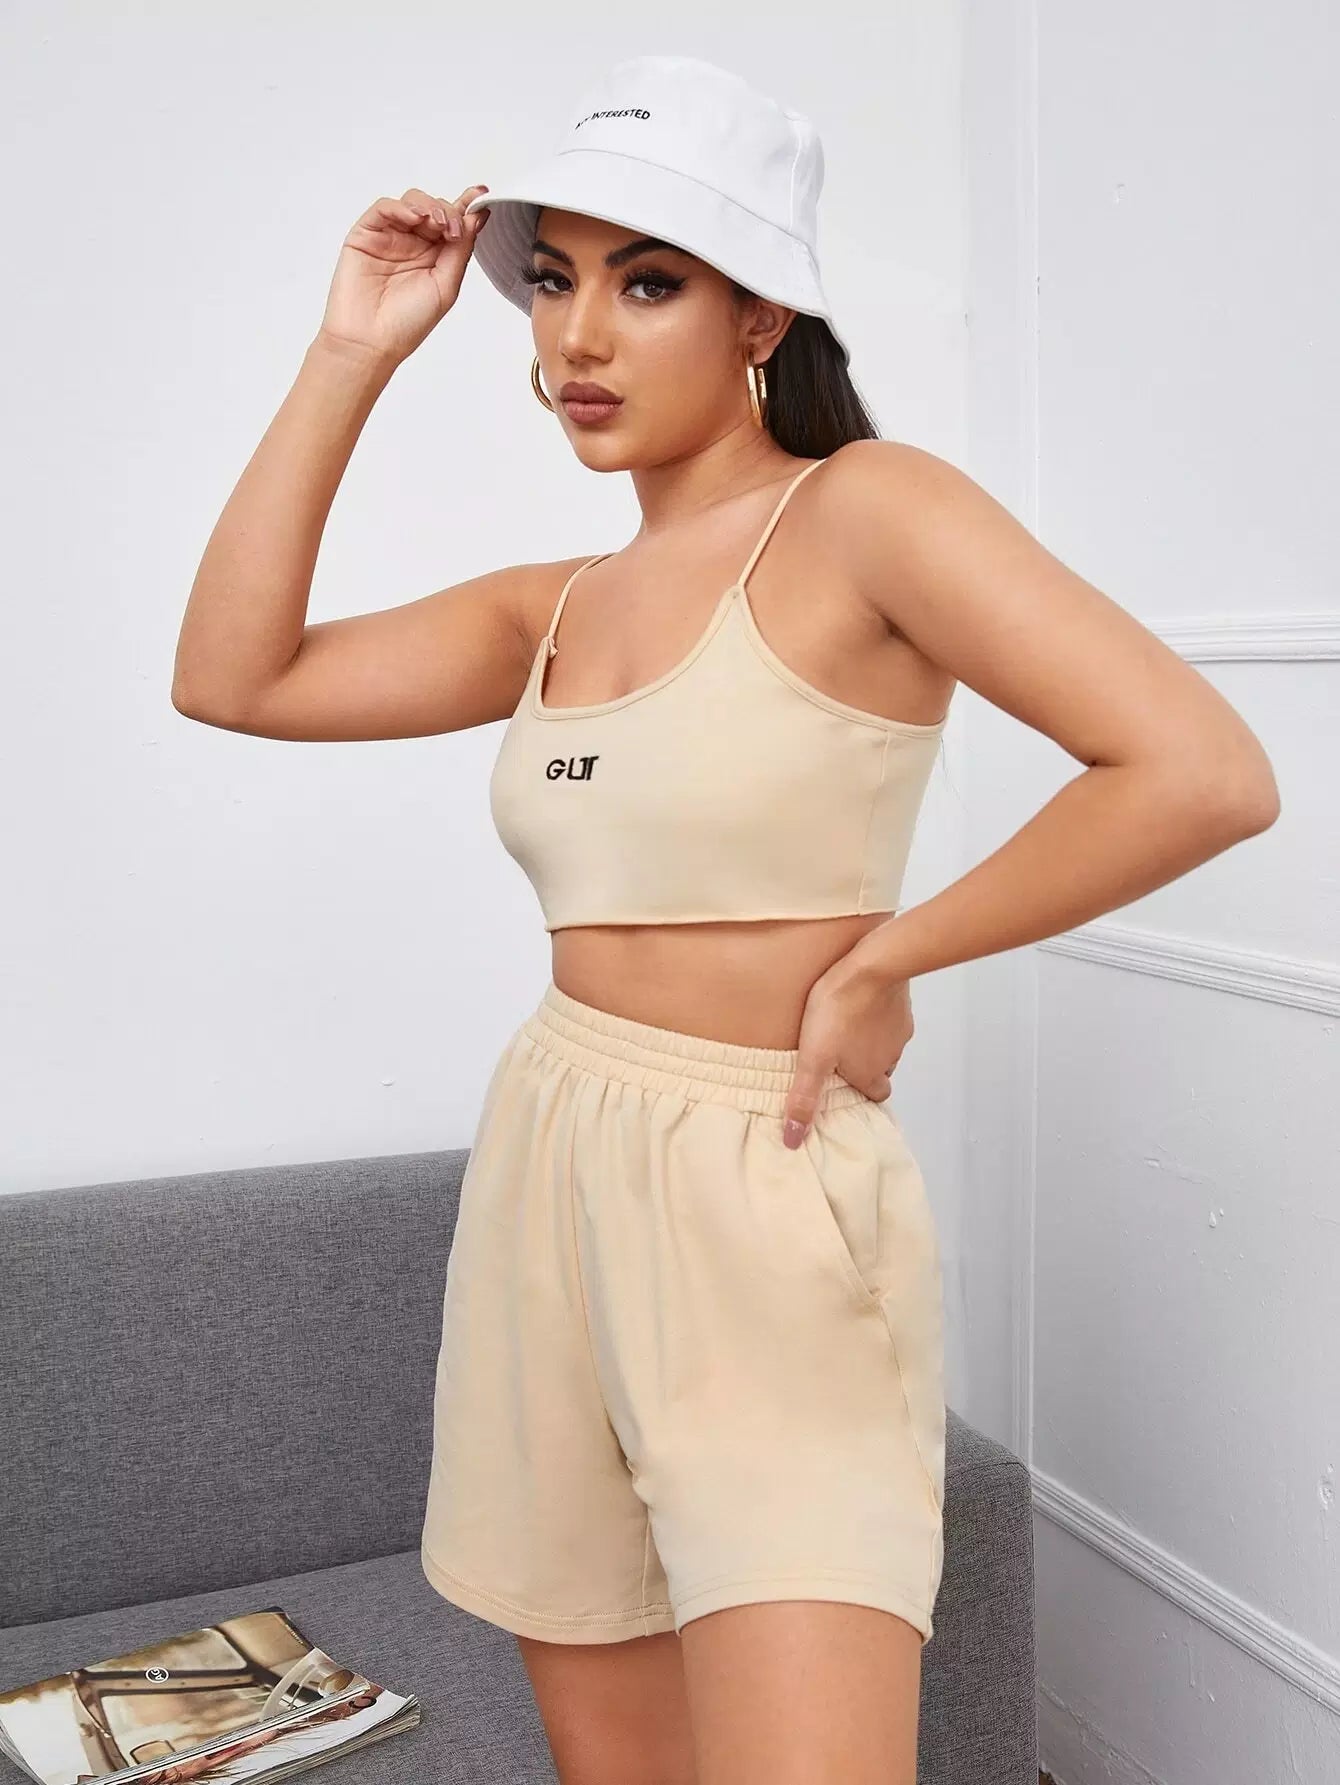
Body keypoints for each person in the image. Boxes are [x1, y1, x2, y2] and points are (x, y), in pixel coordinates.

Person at [172, 51, 1280, 1785]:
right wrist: (350, 352)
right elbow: (233, 677)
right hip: (553, 1155)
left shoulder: (869, 512)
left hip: (767, 1179)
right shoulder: (553, 603)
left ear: (762, 314)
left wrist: (892, 952)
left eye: (647, 283)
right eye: (552, 280)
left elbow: (1203, 768)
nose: (577, 337)